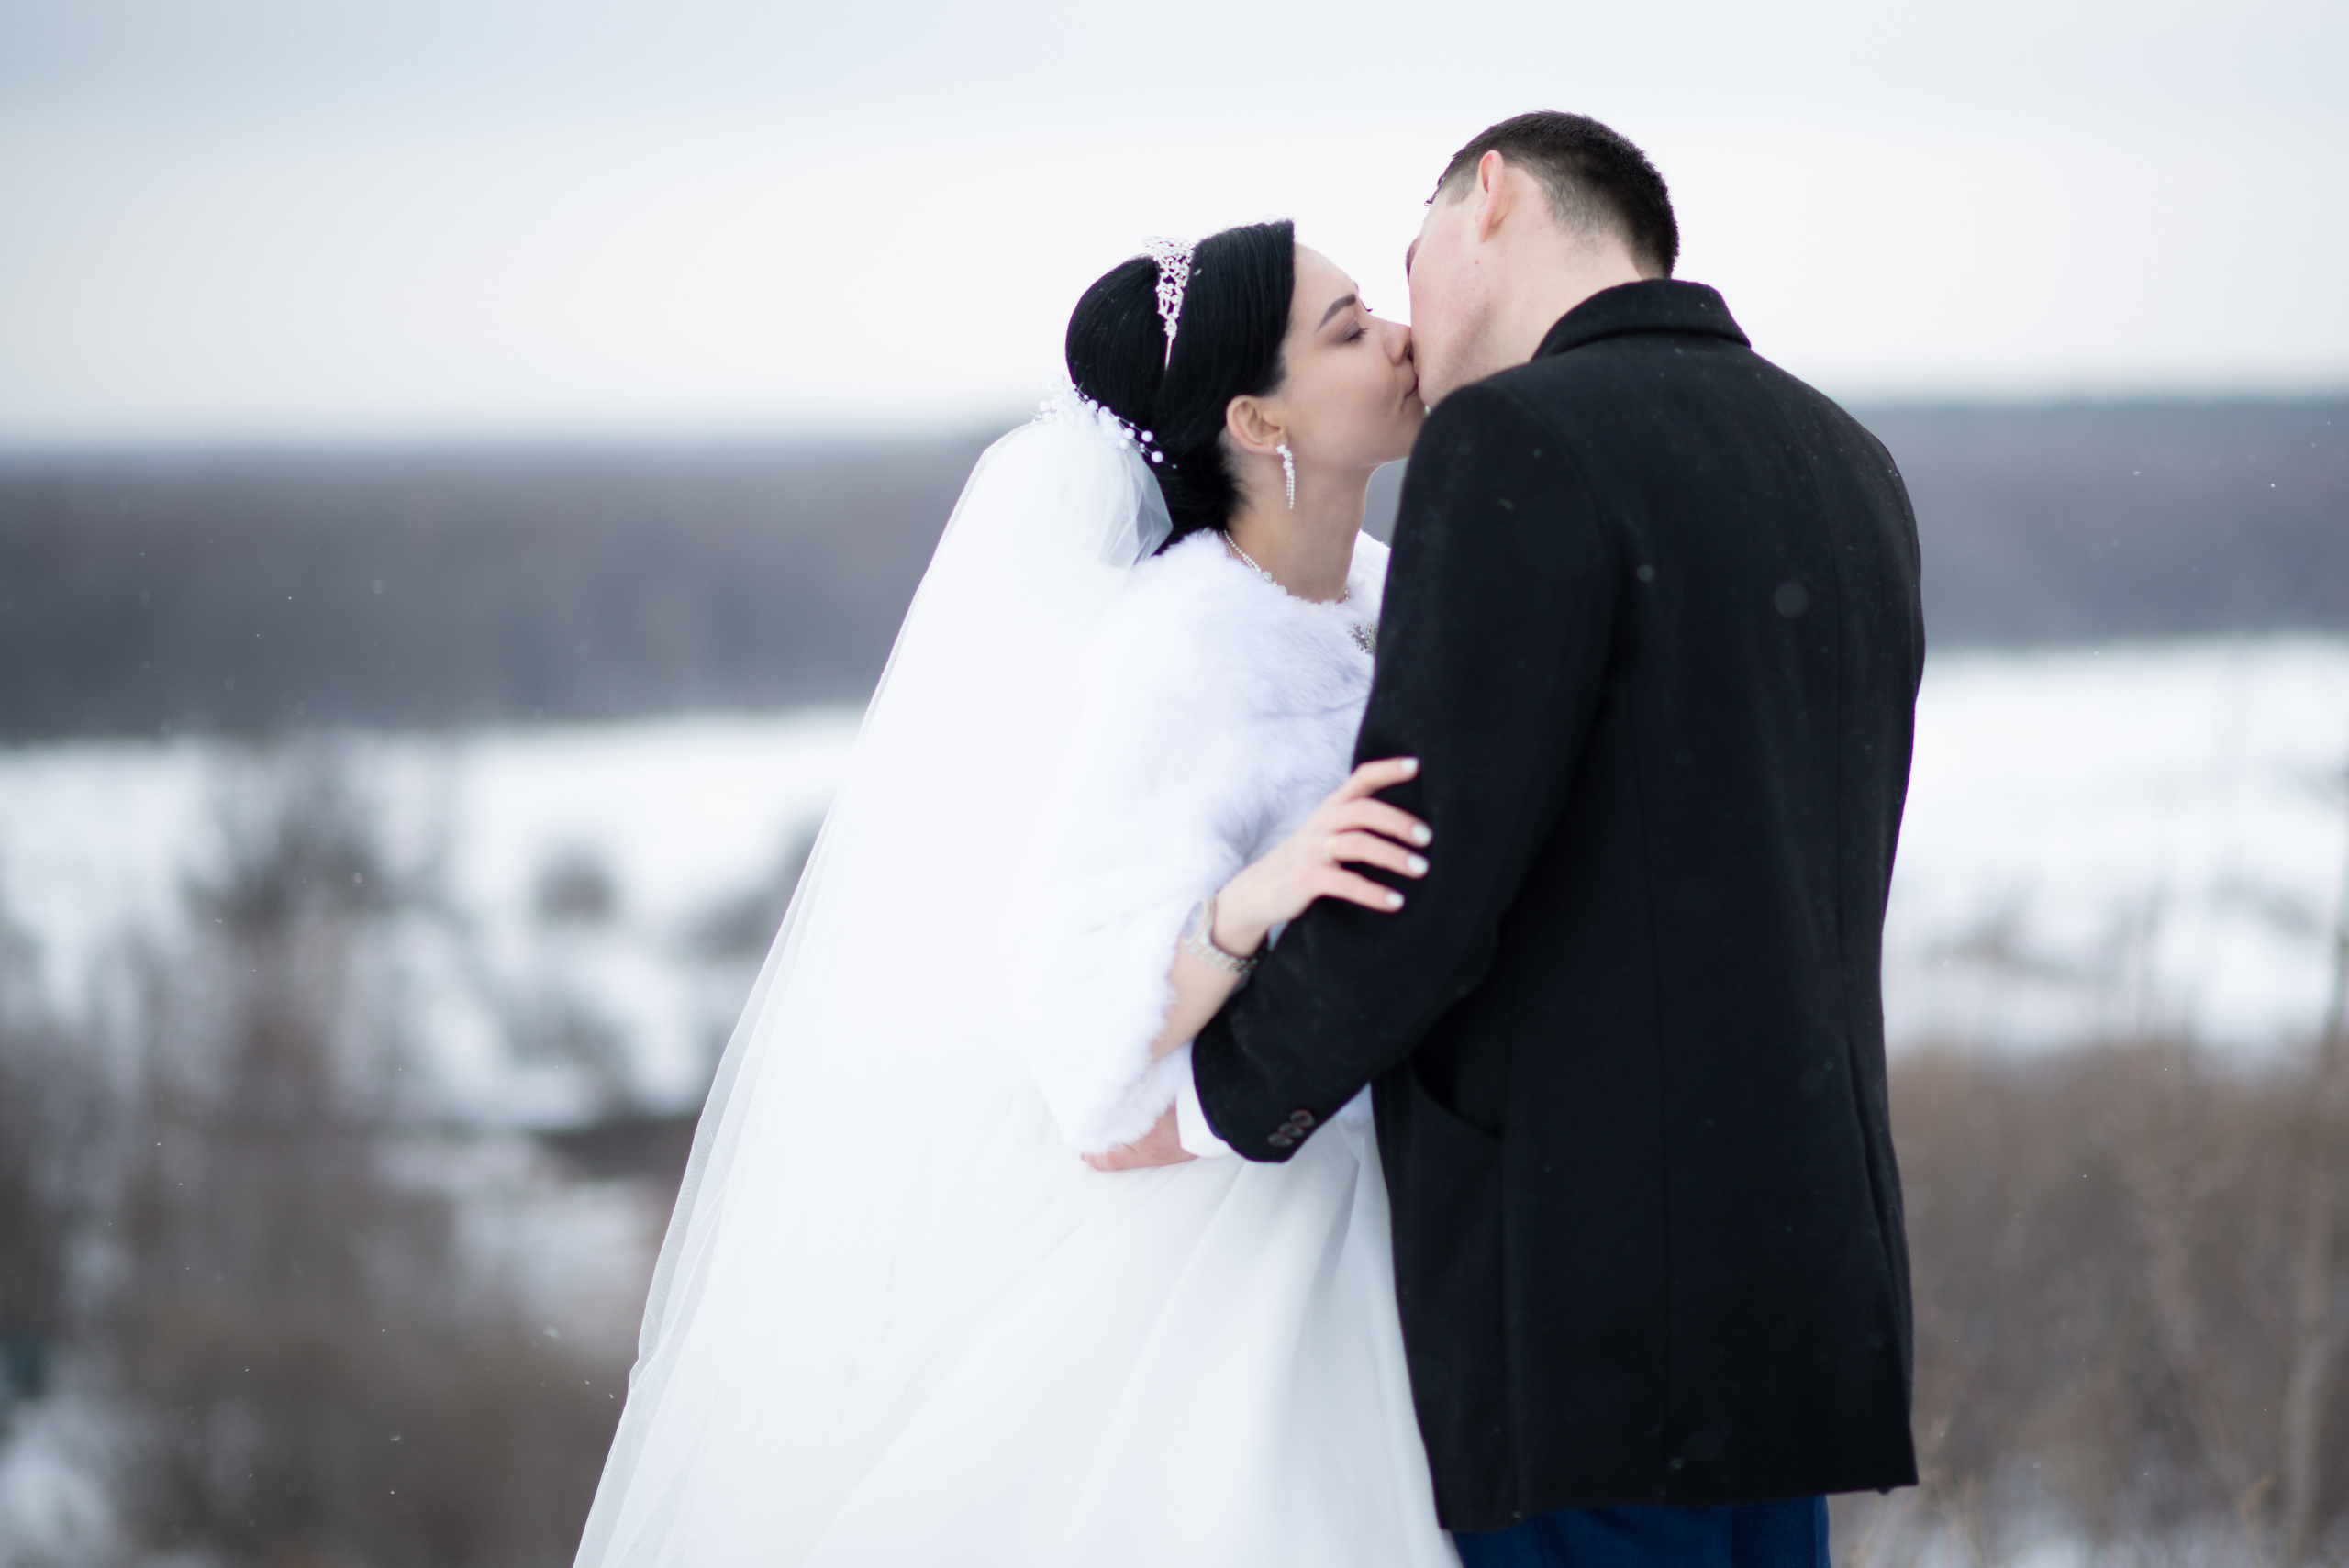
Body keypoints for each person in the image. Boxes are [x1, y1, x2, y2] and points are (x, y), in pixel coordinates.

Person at [1097, 111, 1926, 1567]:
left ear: (1489, 199)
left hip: (1591, 1308)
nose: (1406, 318)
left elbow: (1419, 872)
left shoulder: (1519, 440)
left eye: (1405, 254)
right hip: (1801, 1290)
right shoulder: (1845, 460)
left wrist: (1225, 1095)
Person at [572, 219, 1460, 1566]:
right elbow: (1085, 1037)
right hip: (1251, 1245)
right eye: (1349, 329)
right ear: (1254, 417)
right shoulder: (1178, 653)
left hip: (1419, 1184)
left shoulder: (1387, 591)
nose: (1400, 336)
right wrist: (1250, 902)